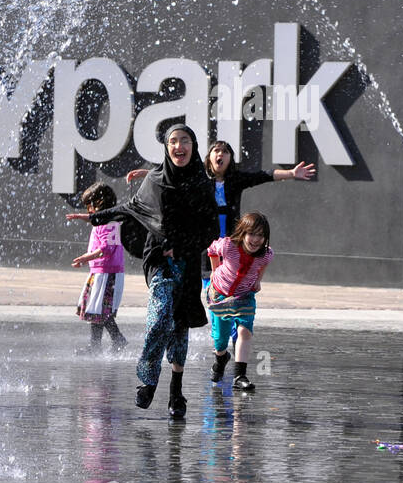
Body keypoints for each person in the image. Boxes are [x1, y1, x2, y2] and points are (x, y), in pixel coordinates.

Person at [67, 124, 216, 419]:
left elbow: (210, 229)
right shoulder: (155, 180)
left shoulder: (202, 184)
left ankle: (176, 391)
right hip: (159, 260)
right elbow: (131, 208)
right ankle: (148, 379)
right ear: (167, 147)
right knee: (160, 317)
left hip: (186, 264)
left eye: (184, 140)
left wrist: (183, 245)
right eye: (173, 141)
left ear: (193, 145)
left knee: (179, 328)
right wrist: (96, 217)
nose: (178, 146)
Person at [128, 141, 312, 347]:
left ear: (230, 159)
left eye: (225, 152)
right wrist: (148, 173)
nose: (220, 155)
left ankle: (235, 334)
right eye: (216, 151)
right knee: (214, 289)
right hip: (208, 245)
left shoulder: (236, 180)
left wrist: (291, 173)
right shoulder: (199, 179)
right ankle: (220, 336)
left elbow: (264, 175)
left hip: (234, 246)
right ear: (209, 157)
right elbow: (174, 178)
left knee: (237, 287)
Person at [205, 212, 273, 391]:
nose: (256, 240)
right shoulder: (228, 245)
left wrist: (258, 280)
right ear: (243, 233)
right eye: (252, 234)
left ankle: (239, 375)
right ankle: (221, 358)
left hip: (244, 297)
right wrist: (214, 271)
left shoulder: (265, 254)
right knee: (220, 340)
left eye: (261, 235)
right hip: (220, 295)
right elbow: (212, 250)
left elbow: (264, 264)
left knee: (244, 332)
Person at [69, 182, 127, 354]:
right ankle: (99, 344)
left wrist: (85, 258)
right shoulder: (111, 218)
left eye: (89, 206)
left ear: (98, 204)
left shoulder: (107, 223)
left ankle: (114, 340)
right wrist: (81, 217)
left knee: (101, 310)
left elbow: (106, 249)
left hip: (107, 273)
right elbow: (97, 221)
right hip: (103, 271)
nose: (89, 212)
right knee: (97, 310)